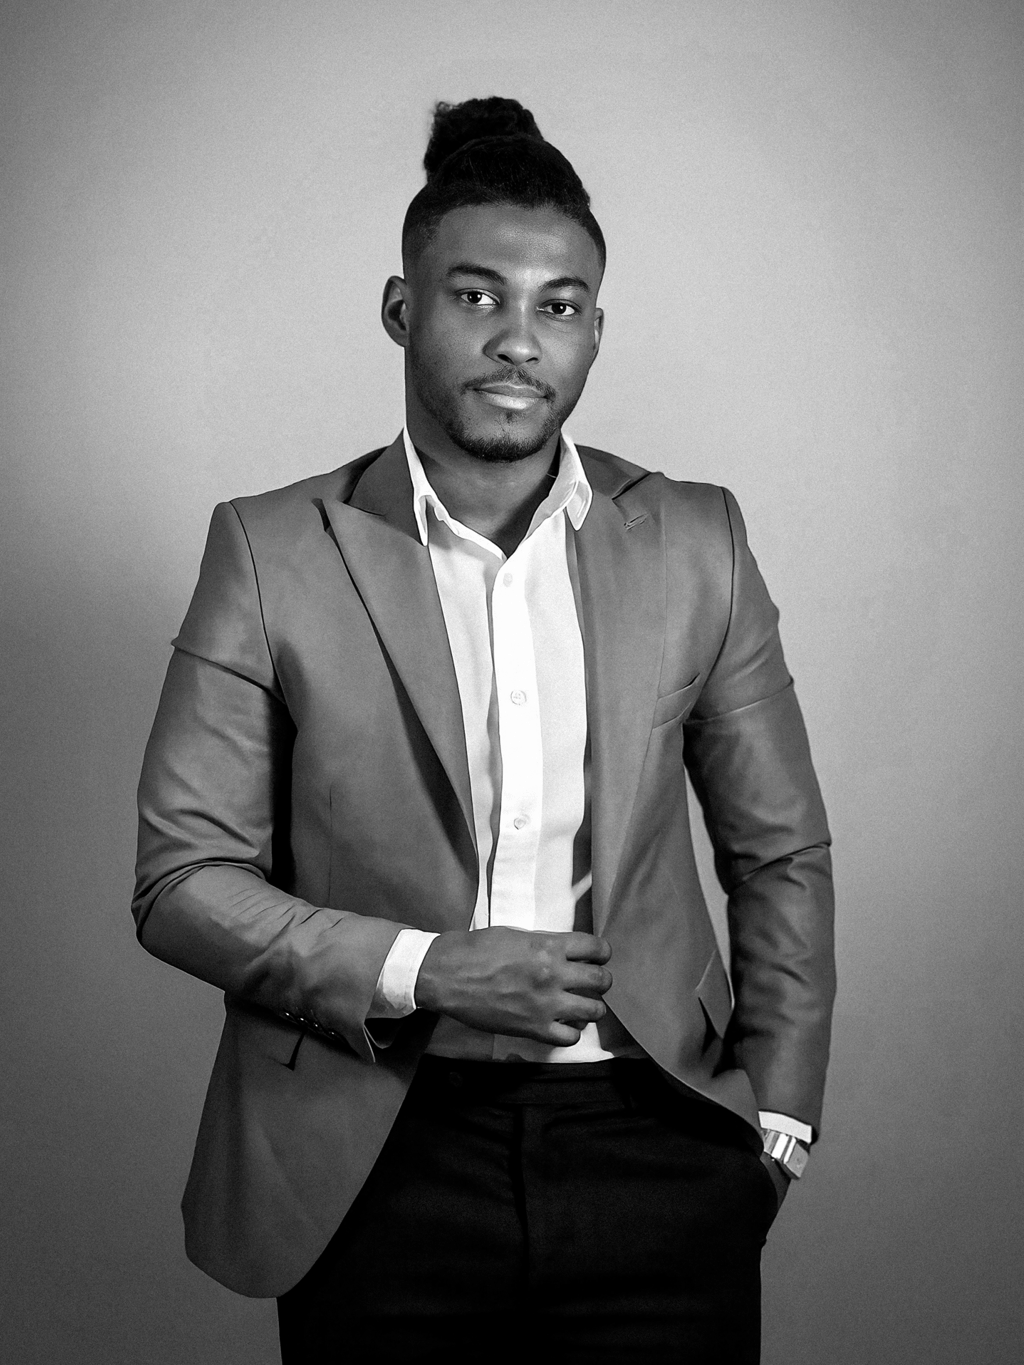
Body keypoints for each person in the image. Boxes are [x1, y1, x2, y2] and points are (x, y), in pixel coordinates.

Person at [134, 96, 835, 1364]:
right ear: (401, 309)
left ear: (594, 332)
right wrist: (426, 969)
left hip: (657, 1141)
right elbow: (181, 882)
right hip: (369, 1153)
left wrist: (776, 1119)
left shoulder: (695, 541)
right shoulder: (271, 550)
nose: (519, 340)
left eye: (559, 306)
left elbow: (778, 851)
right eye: (476, 297)